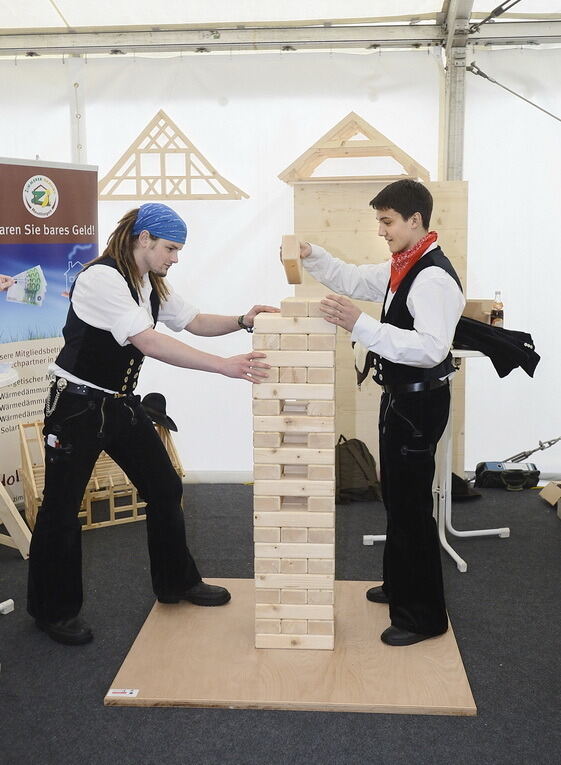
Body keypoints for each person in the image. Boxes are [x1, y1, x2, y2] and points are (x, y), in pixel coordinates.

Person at [28, 203, 277, 645]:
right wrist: (224, 367)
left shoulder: (150, 283)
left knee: (165, 488)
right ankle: (52, 611)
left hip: (119, 405)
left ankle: (176, 582)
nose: (175, 258)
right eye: (170, 248)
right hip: (77, 407)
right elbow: (148, 341)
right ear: (143, 239)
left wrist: (243, 320)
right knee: (62, 509)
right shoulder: (102, 278)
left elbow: (194, 322)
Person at [299, 179, 465, 646]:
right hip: (401, 399)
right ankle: (399, 586)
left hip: (418, 402)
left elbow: (431, 349)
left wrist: (360, 324)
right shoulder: (402, 267)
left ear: (416, 221)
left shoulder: (431, 277)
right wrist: (311, 254)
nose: (381, 230)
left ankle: (422, 617)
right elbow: (352, 278)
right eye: (379, 221)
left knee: (411, 508)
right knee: (395, 495)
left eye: (387, 221)